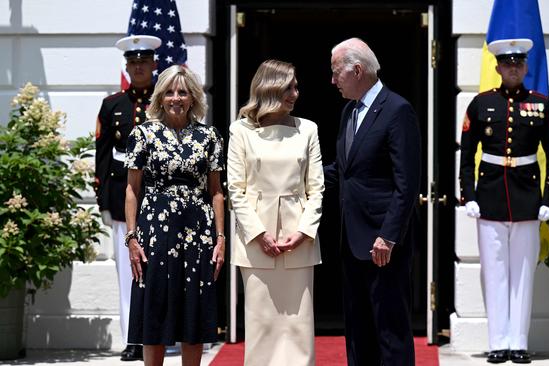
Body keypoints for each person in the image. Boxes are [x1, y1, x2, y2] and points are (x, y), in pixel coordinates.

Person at [459, 38, 549, 364]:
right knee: (494, 272)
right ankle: (497, 343)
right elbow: (466, 156)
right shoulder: (480, 104)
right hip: (489, 197)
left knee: (522, 274)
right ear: (498, 67)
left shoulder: (542, 105)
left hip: (528, 198)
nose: (513, 68)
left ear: (526, 66)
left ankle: (518, 341)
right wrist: (468, 195)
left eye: (519, 63)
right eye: (507, 63)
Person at [324, 38, 421, 366]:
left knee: (389, 330)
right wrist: (292, 175)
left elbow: (406, 184)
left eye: (337, 72)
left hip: (383, 244)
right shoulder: (348, 112)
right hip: (352, 241)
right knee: (358, 329)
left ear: (357, 69)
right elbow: (342, 171)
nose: (333, 80)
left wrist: (389, 235)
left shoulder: (397, 110)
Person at [124, 65, 226, 366]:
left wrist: (220, 238)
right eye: (169, 92)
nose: (176, 98)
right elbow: (132, 189)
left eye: (182, 92)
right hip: (154, 234)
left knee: (192, 316)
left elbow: (217, 191)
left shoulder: (209, 136)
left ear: (193, 97)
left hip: (198, 232)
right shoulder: (143, 134)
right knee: (154, 316)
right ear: (160, 97)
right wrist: (131, 238)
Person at [227, 60, 325, 366]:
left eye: (295, 86)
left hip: (300, 241)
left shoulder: (308, 128)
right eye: (288, 87)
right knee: (262, 327)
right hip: (256, 244)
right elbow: (235, 189)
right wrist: (259, 234)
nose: (295, 93)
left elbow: (317, 188)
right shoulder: (239, 130)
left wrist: (304, 232)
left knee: (297, 327)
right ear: (269, 87)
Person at [94, 34, 161, 361]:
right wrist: (104, 201)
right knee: (127, 273)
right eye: (133, 63)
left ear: (153, 65)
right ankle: (132, 339)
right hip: (124, 199)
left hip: (160, 197)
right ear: (127, 67)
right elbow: (102, 157)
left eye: (143, 62)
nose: (138, 68)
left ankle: (159, 334)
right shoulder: (112, 105)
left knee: (160, 268)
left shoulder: (166, 102)